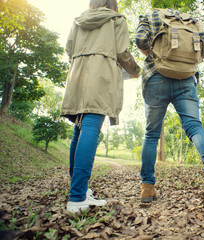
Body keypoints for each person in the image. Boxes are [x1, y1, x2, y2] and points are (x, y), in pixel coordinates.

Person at [135, 8, 204, 216]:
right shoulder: (192, 20)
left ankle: (147, 186)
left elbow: (139, 40)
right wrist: (183, 63)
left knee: (152, 134)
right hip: (186, 80)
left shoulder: (152, 14)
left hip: (155, 76)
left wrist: (158, 57)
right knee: (194, 127)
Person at [60, 0, 140, 214]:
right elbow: (123, 52)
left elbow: (69, 49)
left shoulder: (78, 20)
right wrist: (135, 69)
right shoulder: (116, 19)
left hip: (77, 75)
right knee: (91, 128)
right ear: (112, 5)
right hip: (101, 76)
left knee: (79, 128)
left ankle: (79, 189)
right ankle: (77, 198)